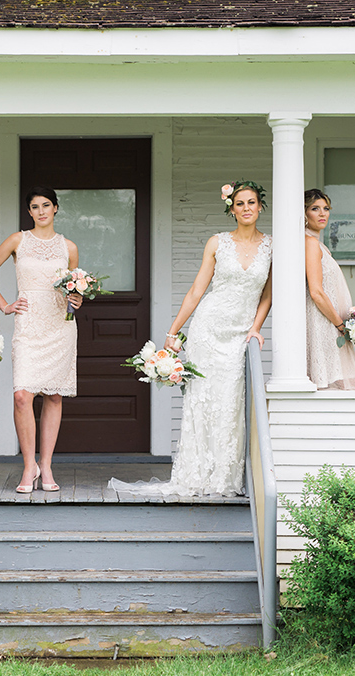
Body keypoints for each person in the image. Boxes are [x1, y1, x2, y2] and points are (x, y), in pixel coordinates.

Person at [111, 180, 272, 497]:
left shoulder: (271, 246)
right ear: (232, 208)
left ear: (260, 206)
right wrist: (173, 331)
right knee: (203, 402)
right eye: (240, 203)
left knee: (231, 402)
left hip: (241, 332)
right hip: (208, 330)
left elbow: (268, 295)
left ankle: (226, 476)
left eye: (251, 202)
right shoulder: (217, 243)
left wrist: (256, 327)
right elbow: (197, 291)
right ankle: (197, 473)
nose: (246, 208)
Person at [0, 186, 83, 494]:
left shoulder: (69, 247)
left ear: (56, 208)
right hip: (28, 325)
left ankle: (46, 465)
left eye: (46, 205)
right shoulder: (17, 240)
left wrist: (77, 298)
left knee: (53, 396)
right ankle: (29, 466)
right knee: (23, 395)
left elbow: (74, 290)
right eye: (35, 206)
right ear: (29, 211)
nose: (41, 211)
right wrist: (5, 305)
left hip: (59, 326)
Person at [303, 189, 355, 390]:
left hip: (329, 322)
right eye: (315, 209)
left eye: (326, 208)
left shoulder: (317, 245)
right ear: (304, 214)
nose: (322, 214)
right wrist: (340, 325)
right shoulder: (310, 244)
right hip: (324, 324)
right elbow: (316, 292)